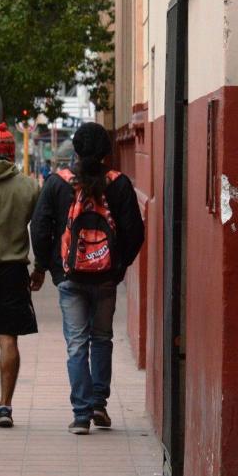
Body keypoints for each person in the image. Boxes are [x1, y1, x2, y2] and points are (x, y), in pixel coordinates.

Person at [30, 122, 144, 435]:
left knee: (76, 344)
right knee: (102, 338)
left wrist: (48, 267)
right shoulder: (119, 184)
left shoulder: (57, 183)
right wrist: (118, 267)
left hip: (69, 276)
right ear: (107, 151)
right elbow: (135, 231)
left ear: (76, 150)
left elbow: (40, 228)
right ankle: (98, 404)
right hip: (106, 277)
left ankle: (81, 415)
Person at [0, 122, 41, 428]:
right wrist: (40, 269)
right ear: (12, 155)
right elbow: (39, 230)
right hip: (13, 268)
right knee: (8, 337)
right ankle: (5, 406)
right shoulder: (28, 187)